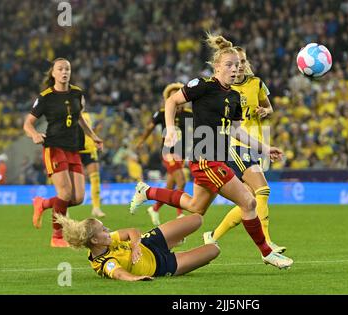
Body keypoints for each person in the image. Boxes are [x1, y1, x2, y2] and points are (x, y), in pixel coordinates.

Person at [130, 34, 293, 269]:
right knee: (248, 202)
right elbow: (171, 102)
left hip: (219, 157)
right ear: (216, 67)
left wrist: (265, 148)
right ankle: (267, 252)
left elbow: (238, 132)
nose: (234, 69)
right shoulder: (202, 86)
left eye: (237, 65)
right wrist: (169, 128)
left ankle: (147, 191)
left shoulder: (235, 96)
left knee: (196, 207)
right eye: (229, 65)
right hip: (206, 159)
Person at [203, 45, 286, 254]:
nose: (238, 67)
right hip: (236, 145)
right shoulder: (226, 88)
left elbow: (269, 107)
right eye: (234, 63)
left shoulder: (256, 83)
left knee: (247, 200)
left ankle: (212, 236)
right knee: (263, 190)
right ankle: (268, 243)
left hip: (255, 142)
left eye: (241, 62)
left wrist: (264, 111)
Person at [23, 58, 103, 247]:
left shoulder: (77, 93)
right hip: (54, 147)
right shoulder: (46, 97)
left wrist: (93, 136)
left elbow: (80, 118)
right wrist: (34, 134)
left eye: (67, 68)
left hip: (74, 148)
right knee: (65, 193)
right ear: (53, 73)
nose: (64, 72)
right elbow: (27, 123)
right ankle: (57, 237)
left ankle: (42, 203)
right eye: (60, 69)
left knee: (78, 198)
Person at [55, 213, 220, 280]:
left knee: (197, 219)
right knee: (214, 250)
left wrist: (135, 246)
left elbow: (132, 231)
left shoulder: (109, 239)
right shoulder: (104, 262)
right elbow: (118, 273)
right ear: (95, 241)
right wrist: (135, 278)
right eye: (103, 230)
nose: (108, 230)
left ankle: (175, 242)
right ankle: (181, 251)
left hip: (150, 243)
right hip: (162, 264)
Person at [135, 82, 193, 226]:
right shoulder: (162, 113)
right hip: (167, 152)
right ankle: (180, 214)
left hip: (181, 154)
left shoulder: (189, 114)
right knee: (182, 181)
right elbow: (150, 127)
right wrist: (142, 140)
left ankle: (154, 209)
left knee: (169, 188)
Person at [78, 111, 106, 218]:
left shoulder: (90, 115)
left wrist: (97, 130)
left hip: (89, 149)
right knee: (71, 180)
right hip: (75, 149)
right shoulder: (70, 114)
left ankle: (96, 208)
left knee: (95, 179)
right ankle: (65, 209)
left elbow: (92, 130)